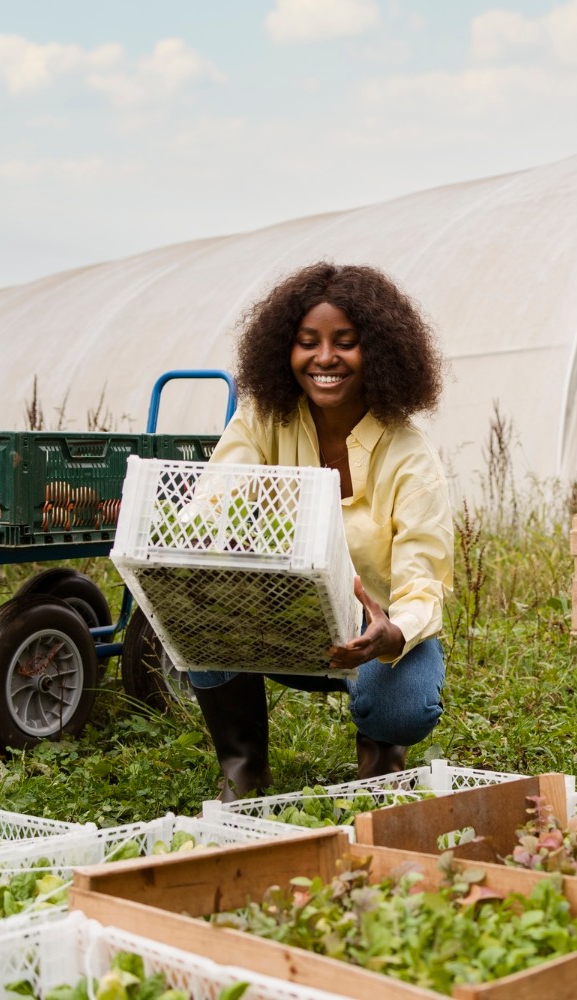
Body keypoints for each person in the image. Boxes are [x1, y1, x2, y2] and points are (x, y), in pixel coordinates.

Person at [188, 262, 453, 799]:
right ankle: (244, 767)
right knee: (197, 603)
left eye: (345, 342)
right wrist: (211, 541)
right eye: (308, 342)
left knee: (402, 704)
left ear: (376, 352)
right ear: (285, 351)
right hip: (283, 618)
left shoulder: (409, 456)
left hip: (369, 631)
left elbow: (423, 581)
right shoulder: (264, 419)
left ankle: (381, 744)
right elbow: (214, 502)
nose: (325, 358)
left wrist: (392, 633)